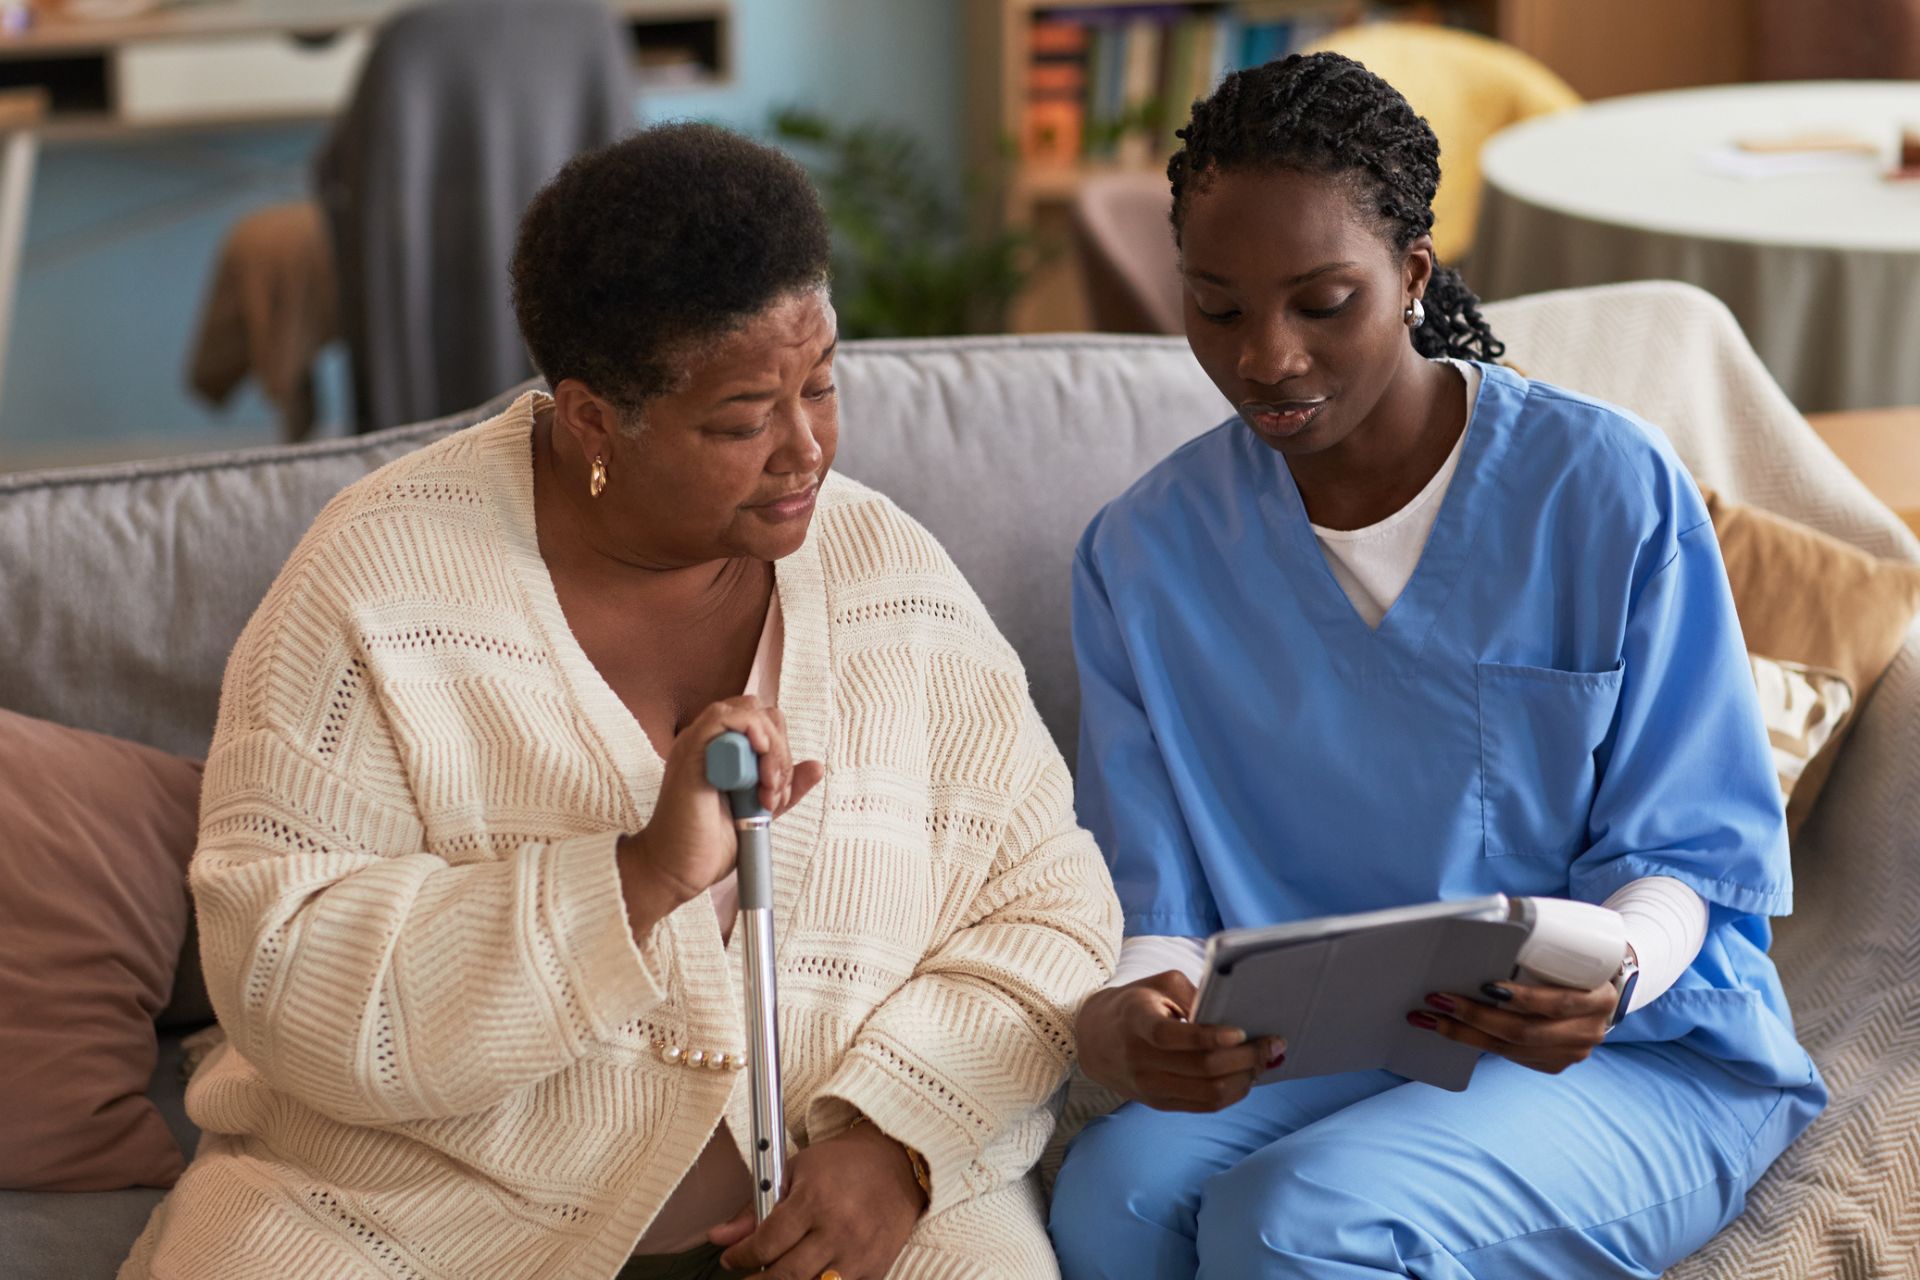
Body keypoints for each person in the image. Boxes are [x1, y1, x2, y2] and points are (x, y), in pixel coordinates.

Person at [122, 124, 1119, 1280]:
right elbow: (280, 969)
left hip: (860, 1210)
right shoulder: (375, 586)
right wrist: (632, 881)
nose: (806, 450)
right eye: (744, 419)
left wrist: (902, 1143)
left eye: (824, 383)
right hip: (419, 1210)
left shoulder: (887, 573)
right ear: (594, 417)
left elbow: (1052, 905)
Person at [1047, 53, 1826, 1279]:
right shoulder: (1144, 554)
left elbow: (1685, 854)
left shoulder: (1606, 489)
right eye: (1218, 306)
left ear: (1411, 276)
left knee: (1293, 1221)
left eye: (1322, 302)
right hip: (1326, 1047)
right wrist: (1142, 1016)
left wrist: (1613, 977)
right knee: (1109, 1200)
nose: (1268, 358)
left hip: (1632, 1052)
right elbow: (1158, 909)